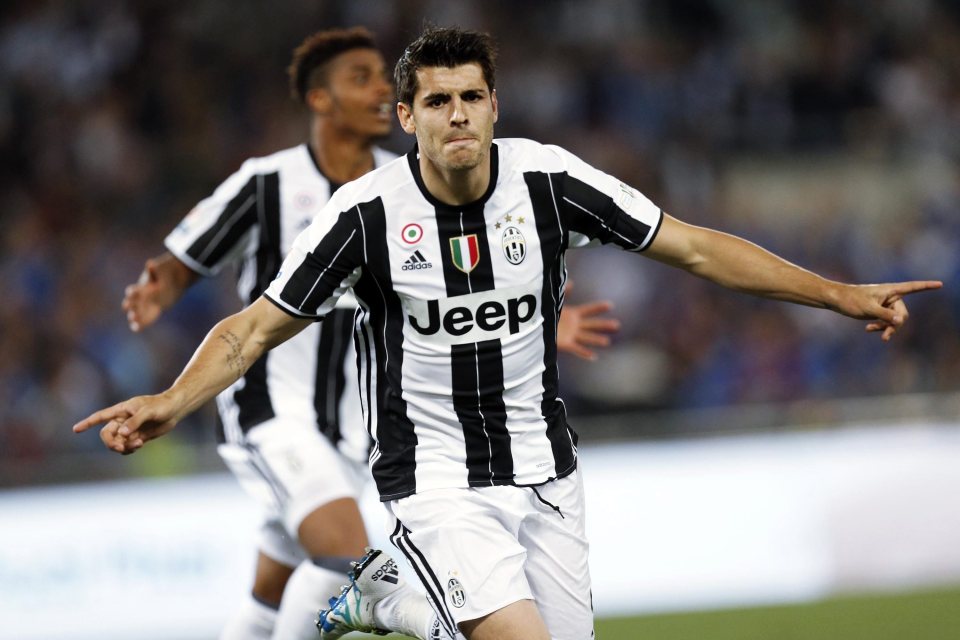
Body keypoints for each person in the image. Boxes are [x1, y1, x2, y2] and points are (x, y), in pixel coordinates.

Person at [73, 25, 942, 640]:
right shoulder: (364, 217)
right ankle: (399, 595)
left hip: (548, 472)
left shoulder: (550, 181)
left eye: (472, 97)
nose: (458, 115)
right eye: (437, 101)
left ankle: (391, 602)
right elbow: (254, 327)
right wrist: (173, 400)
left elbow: (696, 249)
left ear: (495, 106)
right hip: (435, 479)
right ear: (407, 118)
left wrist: (836, 293)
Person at [111, 26, 618, 640]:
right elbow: (189, 258)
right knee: (343, 553)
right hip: (276, 408)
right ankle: (388, 605)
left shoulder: (411, 180)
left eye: (383, 77)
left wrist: (541, 322)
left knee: (272, 590)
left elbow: (469, 284)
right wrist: (157, 291)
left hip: (357, 415)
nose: (380, 89)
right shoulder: (270, 183)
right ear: (320, 100)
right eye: (362, 78)